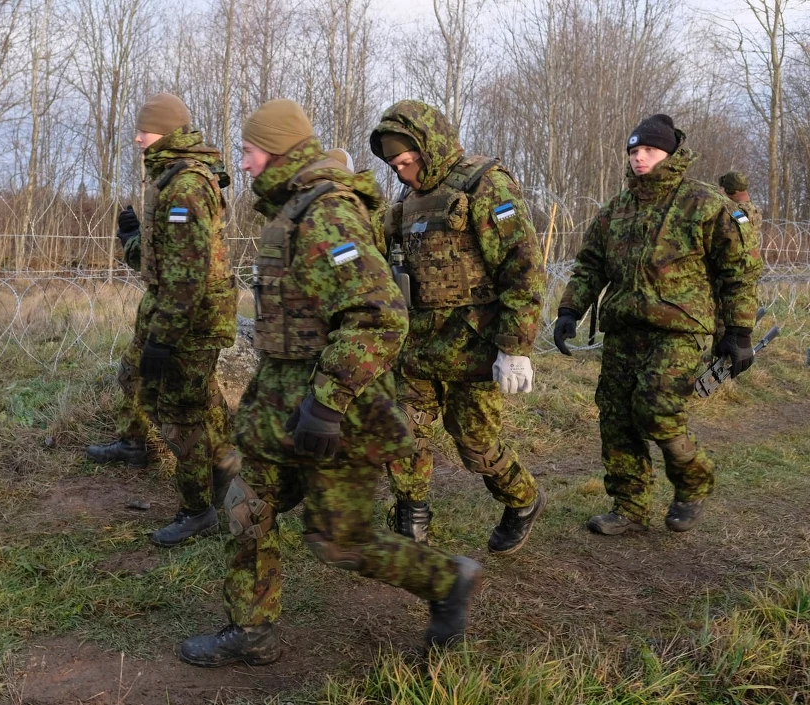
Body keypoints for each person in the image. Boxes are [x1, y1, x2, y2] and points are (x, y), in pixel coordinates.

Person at [178, 99, 481, 668]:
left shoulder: (327, 214)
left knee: (339, 540)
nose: (241, 165)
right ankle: (251, 630)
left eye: (247, 151)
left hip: (335, 414)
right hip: (279, 409)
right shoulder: (293, 209)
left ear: (277, 150)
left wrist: (327, 403)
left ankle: (448, 581)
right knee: (247, 508)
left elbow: (379, 315)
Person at [555, 114, 762, 535]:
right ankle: (629, 508)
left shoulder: (704, 203)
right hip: (623, 330)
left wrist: (739, 333)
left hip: (679, 331)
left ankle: (693, 480)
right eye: (633, 151)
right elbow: (590, 265)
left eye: (648, 150)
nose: (639, 158)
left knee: (657, 412)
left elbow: (738, 270)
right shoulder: (617, 208)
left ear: (669, 153)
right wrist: (569, 312)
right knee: (616, 417)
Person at [368, 101, 546, 552]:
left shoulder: (484, 184)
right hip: (418, 348)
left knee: (476, 445)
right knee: (401, 432)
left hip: (474, 347)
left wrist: (515, 346)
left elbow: (522, 266)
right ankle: (412, 519)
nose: (403, 172)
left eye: (408, 161)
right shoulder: (406, 201)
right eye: (394, 165)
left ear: (430, 146)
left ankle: (522, 499)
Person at [86, 93, 239, 546]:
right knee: (143, 380)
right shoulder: (170, 180)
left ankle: (198, 509)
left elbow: (187, 276)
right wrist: (133, 239)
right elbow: (166, 263)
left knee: (181, 412)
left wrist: (164, 339)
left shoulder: (186, 188)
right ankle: (224, 459)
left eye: (145, 130)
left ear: (167, 133)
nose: (137, 138)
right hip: (173, 310)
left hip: (187, 319)